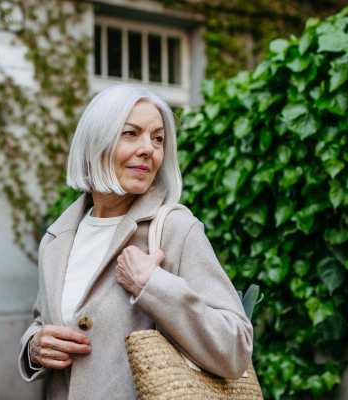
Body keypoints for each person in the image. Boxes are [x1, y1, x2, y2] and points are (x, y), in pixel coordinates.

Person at [18, 84, 253, 399]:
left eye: (158, 138)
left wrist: (152, 285)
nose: (149, 149)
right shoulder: (57, 240)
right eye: (131, 134)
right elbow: (42, 321)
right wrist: (34, 348)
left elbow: (235, 348)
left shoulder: (176, 230)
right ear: (92, 145)